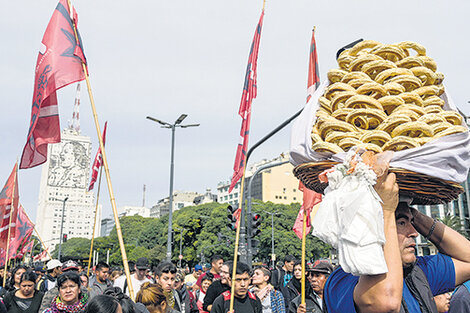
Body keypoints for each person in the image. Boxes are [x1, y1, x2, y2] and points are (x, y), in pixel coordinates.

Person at [324, 169, 470, 312]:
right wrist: (387, 210)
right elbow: (387, 302)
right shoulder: (342, 279)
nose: (414, 233)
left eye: (411, 223)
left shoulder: (418, 272)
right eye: (401, 223)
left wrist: (415, 216)